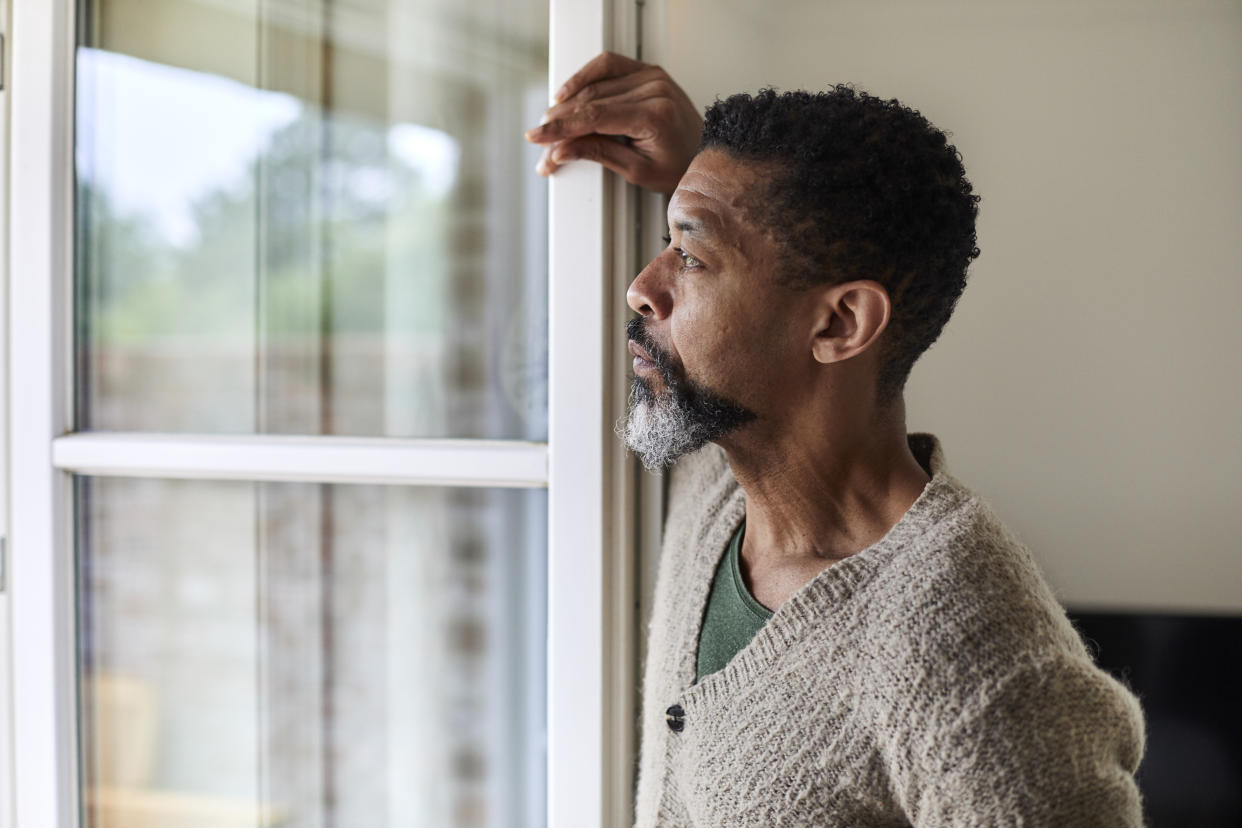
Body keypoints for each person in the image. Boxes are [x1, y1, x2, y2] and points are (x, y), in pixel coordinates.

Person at [526, 52, 1145, 827]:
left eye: (688, 255)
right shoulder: (725, 464)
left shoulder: (981, 663)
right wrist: (695, 179)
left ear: (839, 323)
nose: (641, 288)